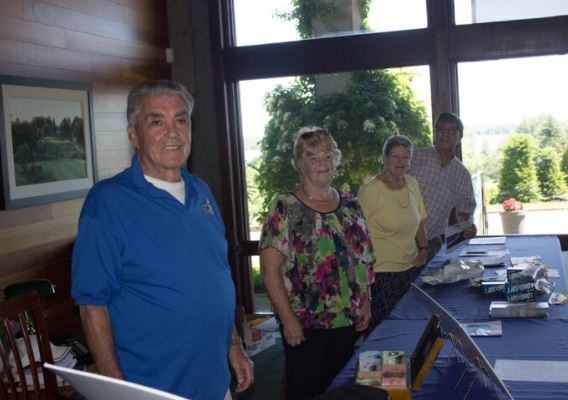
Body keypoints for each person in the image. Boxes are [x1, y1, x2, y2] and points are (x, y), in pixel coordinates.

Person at [71, 79, 253, 400]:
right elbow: (92, 305)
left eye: (181, 120)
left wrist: (233, 344)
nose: (173, 133)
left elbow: (215, 275)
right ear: (134, 135)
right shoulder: (108, 203)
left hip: (214, 383)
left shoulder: (201, 191)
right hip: (154, 389)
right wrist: (119, 391)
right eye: (157, 122)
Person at [259, 127, 375, 400]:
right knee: (304, 391)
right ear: (301, 165)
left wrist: (366, 300)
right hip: (305, 323)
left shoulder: (351, 204)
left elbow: (363, 258)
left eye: (327, 156)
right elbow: (269, 270)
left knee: (338, 389)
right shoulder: (285, 207)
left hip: (347, 319)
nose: (322, 163)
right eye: (313, 158)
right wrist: (288, 320)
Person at [357, 135, 428, 331]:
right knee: (384, 333)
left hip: (411, 269)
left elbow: (419, 221)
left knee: (409, 329)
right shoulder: (370, 191)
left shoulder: (412, 183)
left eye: (406, 157)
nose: (400, 162)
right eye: (395, 156)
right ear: (385, 158)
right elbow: (357, 236)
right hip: (382, 275)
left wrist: (423, 249)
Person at [410, 112, 477, 260]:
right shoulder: (415, 158)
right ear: (434, 134)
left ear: (460, 136)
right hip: (399, 238)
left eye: (451, 130)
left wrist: (468, 227)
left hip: (431, 243)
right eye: (441, 129)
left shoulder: (462, 175)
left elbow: (465, 211)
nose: (445, 134)